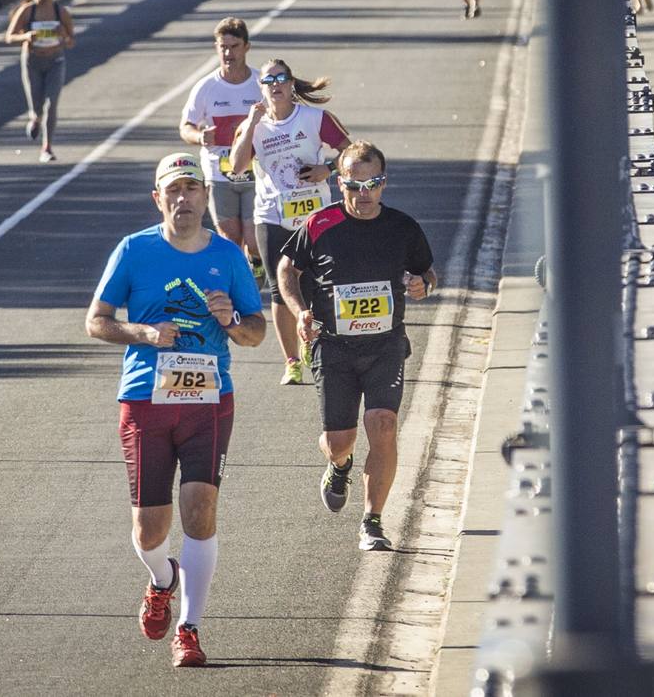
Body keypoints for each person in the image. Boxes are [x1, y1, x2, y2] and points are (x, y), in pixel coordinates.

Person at [86, 152, 268, 669]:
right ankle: (162, 578)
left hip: (209, 400)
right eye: (173, 189)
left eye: (192, 188)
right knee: (149, 529)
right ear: (158, 198)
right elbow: (96, 321)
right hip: (145, 398)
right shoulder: (134, 250)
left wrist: (231, 320)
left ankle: (188, 629)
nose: (183, 198)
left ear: (206, 197)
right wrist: (141, 333)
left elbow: (256, 333)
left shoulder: (230, 256)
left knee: (199, 511)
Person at [277, 141, 436, 551]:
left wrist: (424, 285)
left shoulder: (402, 227)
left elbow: (427, 273)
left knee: (383, 424)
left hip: (385, 345)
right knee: (338, 441)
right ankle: (340, 464)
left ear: (384, 183)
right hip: (334, 348)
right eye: (354, 185)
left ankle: (373, 521)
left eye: (373, 184)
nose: (364, 194)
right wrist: (298, 311)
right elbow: (286, 269)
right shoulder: (319, 225)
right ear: (339, 181)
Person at [228, 59, 352, 385]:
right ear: (261, 87)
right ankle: (292, 361)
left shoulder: (314, 118)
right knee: (280, 291)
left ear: (291, 83)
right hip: (272, 216)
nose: (275, 85)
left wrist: (329, 169)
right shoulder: (254, 125)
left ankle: (318, 345)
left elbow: (351, 152)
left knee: (316, 284)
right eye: (268, 80)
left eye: (281, 78)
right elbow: (238, 166)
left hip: (315, 215)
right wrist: (252, 122)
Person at [179, 17, 265, 278]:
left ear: (246, 47)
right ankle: (239, 284)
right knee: (230, 239)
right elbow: (186, 127)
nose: (228, 54)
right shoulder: (207, 87)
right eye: (222, 47)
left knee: (253, 239)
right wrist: (200, 137)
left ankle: (257, 268)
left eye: (234, 46)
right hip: (219, 175)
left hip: (256, 174)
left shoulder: (261, 83)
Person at [4, 0, 76, 163]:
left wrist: (63, 36)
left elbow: (71, 42)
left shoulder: (61, 12)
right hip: (32, 61)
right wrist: (26, 37)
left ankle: (47, 147)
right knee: (37, 106)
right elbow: (9, 37)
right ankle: (35, 118)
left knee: (51, 104)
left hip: (55, 61)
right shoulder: (27, 11)